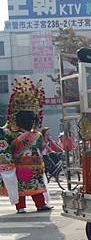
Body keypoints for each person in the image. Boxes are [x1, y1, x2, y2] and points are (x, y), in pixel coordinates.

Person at [0, 78, 53, 213]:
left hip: (36, 165)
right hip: (19, 165)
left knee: (37, 186)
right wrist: (8, 165)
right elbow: (5, 150)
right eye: (27, 119)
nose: (30, 122)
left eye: (32, 120)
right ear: (19, 120)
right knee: (21, 187)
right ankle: (21, 206)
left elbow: (41, 148)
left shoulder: (36, 135)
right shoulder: (10, 134)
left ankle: (41, 204)